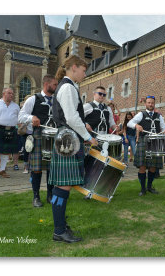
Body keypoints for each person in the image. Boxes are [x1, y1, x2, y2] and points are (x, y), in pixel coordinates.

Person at [48, 55, 98, 243]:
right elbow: (71, 117)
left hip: (67, 137)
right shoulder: (68, 87)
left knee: (63, 184)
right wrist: (88, 137)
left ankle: (60, 226)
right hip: (68, 137)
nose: (85, 74)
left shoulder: (66, 86)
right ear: (74, 67)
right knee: (63, 185)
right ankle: (59, 230)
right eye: (84, 70)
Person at [18, 74, 58, 207]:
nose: (56, 87)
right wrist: (32, 118)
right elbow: (21, 116)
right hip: (39, 136)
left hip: (54, 137)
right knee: (37, 169)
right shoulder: (33, 99)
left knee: (52, 168)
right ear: (47, 85)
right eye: (54, 85)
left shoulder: (57, 100)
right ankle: (36, 197)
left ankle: (50, 195)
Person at [127, 96, 165, 196]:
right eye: (149, 103)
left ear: (154, 104)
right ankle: (142, 189)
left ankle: (149, 186)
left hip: (155, 142)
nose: (150, 104)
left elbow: (164, 128)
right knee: (142, 166)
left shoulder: (159, 116)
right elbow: (129, 123)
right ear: (145, 104)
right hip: (143, 141)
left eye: (152, 103)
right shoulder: (141, 114)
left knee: (153, 167)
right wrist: (136, 126)